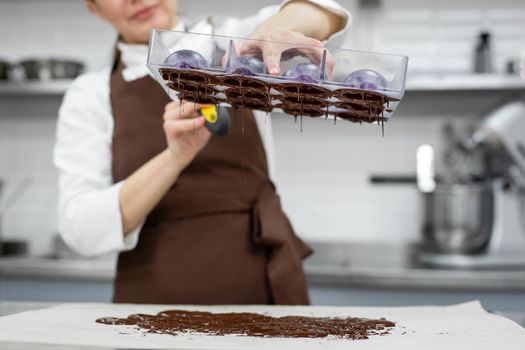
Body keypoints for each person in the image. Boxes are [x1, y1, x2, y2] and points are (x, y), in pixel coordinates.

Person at [54, 0, 350, 305]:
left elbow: (326, 12)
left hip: (262, 283)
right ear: (94, 8)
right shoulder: (90, 94)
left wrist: (275, 30)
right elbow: (81, 230)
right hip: (153, 301)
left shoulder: (233, 45)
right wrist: (175, 158)